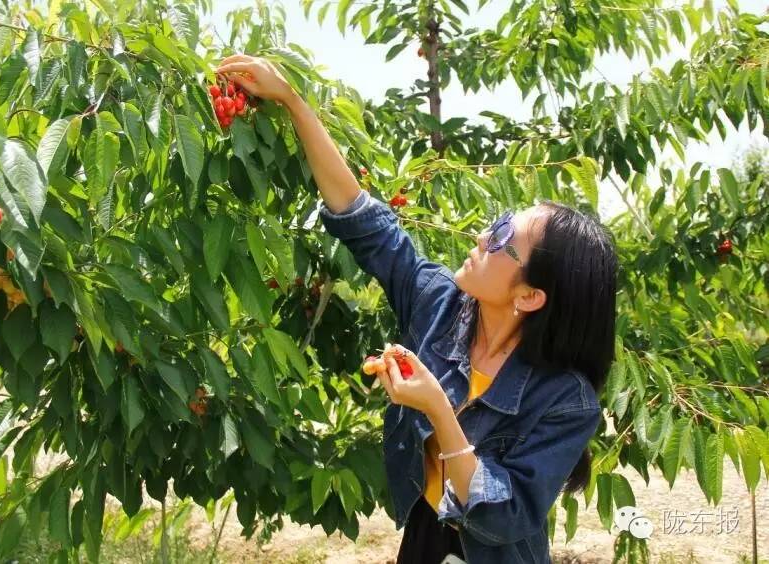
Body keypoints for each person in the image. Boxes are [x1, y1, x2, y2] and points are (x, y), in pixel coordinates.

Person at [216, 55, 618, 564]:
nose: (481, 237)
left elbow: (504, 515)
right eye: (494, 223)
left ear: (530, 296)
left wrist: (436, 408)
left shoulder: (567, 400)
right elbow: (364, 221)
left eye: (500, 238)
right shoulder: (442, 308)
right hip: (427, 538)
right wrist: (293, 100)